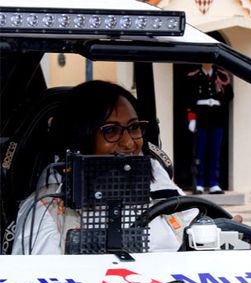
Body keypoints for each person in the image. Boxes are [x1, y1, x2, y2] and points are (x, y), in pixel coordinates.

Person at [12, 80, 199, 255]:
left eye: (134, 127)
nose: (129, 143)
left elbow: (200, 229)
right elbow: (36, 281)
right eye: (111, 130)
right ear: (81, 139)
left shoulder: (156, 178)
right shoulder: (49, 207)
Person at [185, 63, 232, 195]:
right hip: (201, 117)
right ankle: (199, 182)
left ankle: (213, 183)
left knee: (215, 152)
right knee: (200, 152)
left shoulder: (221, 75)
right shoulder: (194, 76)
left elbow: (229, 96)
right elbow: (188, 99)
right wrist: (192, 118)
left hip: (216, 118)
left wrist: (221, 91)